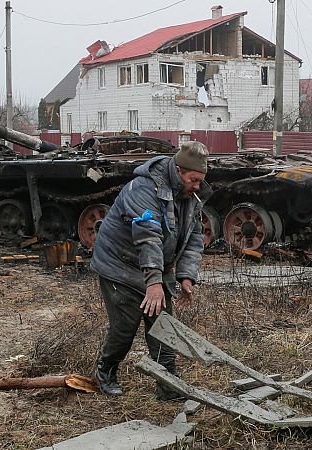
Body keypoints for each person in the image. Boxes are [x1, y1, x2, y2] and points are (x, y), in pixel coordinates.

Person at [89, 141, 211, 399]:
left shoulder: (190, 197)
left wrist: (186, 276)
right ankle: (105, 371)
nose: (197, 186)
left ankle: (167, 385)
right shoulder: (143, 189)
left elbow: (193, 237)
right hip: (119, 265)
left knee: (163, 325)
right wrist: (154, 283)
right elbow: (148, 237)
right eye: (193, 179)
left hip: (155, 267)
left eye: (201, 180)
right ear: (178, 171)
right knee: (125, 325)